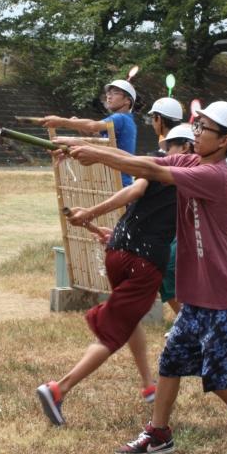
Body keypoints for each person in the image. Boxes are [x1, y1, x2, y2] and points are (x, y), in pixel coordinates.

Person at [54, 101, 227, 454]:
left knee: (219, 377)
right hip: (199, 295)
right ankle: (158, 433)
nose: (195, 133)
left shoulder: (217, 177)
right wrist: (96, 151)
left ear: (223, 141)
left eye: (202, 128)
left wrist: (97, 153)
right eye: (196, 125)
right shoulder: (193, 162)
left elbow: (145, 169)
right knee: (172, 361)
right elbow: (152, 162)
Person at [36, 133, 179, 425]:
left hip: (117, 253)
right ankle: (58, 389)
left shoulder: (162, 166)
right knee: (112, 332)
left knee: (129, 319)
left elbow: (124, 164)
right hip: (144, 261)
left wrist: (108, 229)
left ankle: (148, 384)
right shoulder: (176, 171)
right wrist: (91, 211)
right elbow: (134, 190)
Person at [40, 79, 139, 186]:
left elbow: (93, 126)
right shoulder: (126, 120)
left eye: (115, 93)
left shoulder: (120, 118)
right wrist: (81, 127)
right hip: (114, 181)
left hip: (118, 182)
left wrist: (63, 121)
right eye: (108, 93)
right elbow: (98, 137)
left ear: (127, 101)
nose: (109, 97)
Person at [157, 124, 195, 316]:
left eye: (170, 148)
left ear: (185, 147)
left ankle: (188, 323)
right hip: (175, 232)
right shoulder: (173, 170)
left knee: (168, 267)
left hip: (190, 236)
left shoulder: (193, 172)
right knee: (164, 268)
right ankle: (185, 322)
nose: (167, 154)